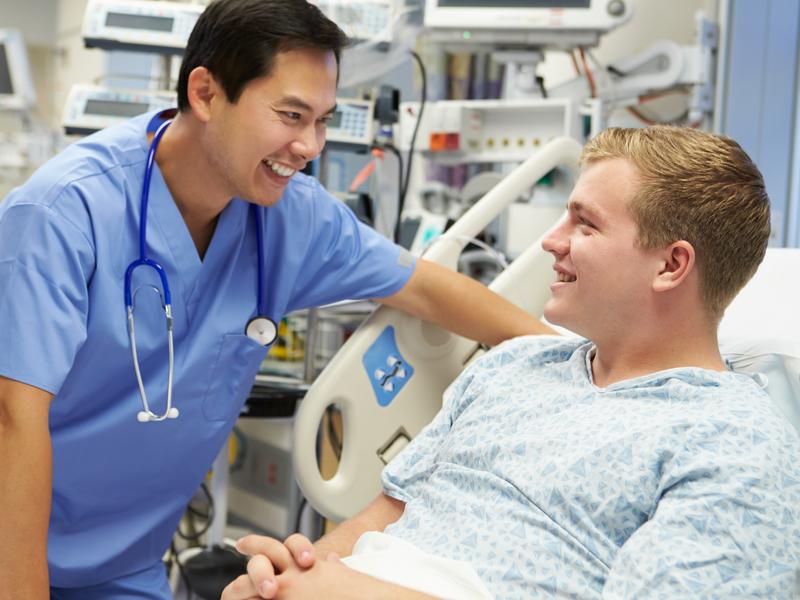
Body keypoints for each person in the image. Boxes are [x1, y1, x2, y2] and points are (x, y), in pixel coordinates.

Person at [0, 1, 553, 598]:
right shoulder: (61, 215)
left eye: (322, 120)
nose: (310, 144)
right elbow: (13, 420)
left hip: (123, 567)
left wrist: (572, 363)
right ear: (207, 93)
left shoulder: (289, 217)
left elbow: (422, 286)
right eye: (291, 115)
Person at [222, 126, 800, 599]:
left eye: (585, 222)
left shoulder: (735, 446)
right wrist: (292, 571)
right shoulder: (512, 368)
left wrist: (345, 594)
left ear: (671, 266)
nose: (551, 240)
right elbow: (382, 516)